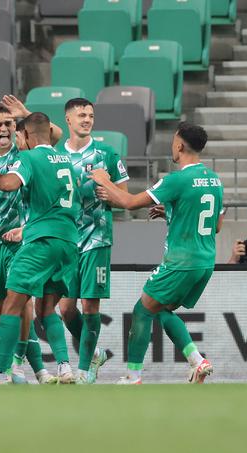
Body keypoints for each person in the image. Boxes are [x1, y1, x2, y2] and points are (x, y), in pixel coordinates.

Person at [89, 122, 224, 384]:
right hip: (205, 262)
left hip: (181, 261)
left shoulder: (176, 180)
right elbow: (216, 226)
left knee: (142, 310)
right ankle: (197, 361)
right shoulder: (213, 179)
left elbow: (128, 203)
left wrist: (105, 181)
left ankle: (133, 375)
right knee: (160, 309)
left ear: (179, 145)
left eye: (174, 141)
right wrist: (174, 211)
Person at [0, 112, 80, 385]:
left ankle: (1, 373)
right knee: (47, 309)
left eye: (19, 135)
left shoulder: (28, 158)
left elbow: (12, 183)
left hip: (41, 243)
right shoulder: (66, 160)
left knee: (11, 305)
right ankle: (64, 367)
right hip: (69, 242)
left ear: (25, 136)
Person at [0, 104, 57, 385]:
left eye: (9, 123)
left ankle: (15, 365)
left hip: (21, 240)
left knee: (24, 304)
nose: (4, 128)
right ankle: (3, 368)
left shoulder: (26, 155)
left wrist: (25, 113)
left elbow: (52, 133)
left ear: (17, 128)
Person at [56, 98, 129, 384]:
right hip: (66, 241)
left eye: (90, 115)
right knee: (65, 308)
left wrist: (108, 187)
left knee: (90, 306)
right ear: (68, 120)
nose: (87, 119)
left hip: (97, 237)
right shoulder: (56, 156)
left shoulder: (107, 153)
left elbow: (124, 196)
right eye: (81, 115)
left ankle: (85, 370)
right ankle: (96, 353)